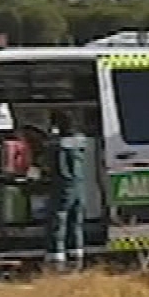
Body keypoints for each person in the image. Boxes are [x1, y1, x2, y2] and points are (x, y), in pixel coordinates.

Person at [44, 116, 92, 272]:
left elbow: (56, 168)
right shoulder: (81, 142)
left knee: (59, 221)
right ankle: (77, 258)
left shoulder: (59, 145)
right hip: (80, 186)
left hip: (64, 187)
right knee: (76, 223)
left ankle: (56, 259)